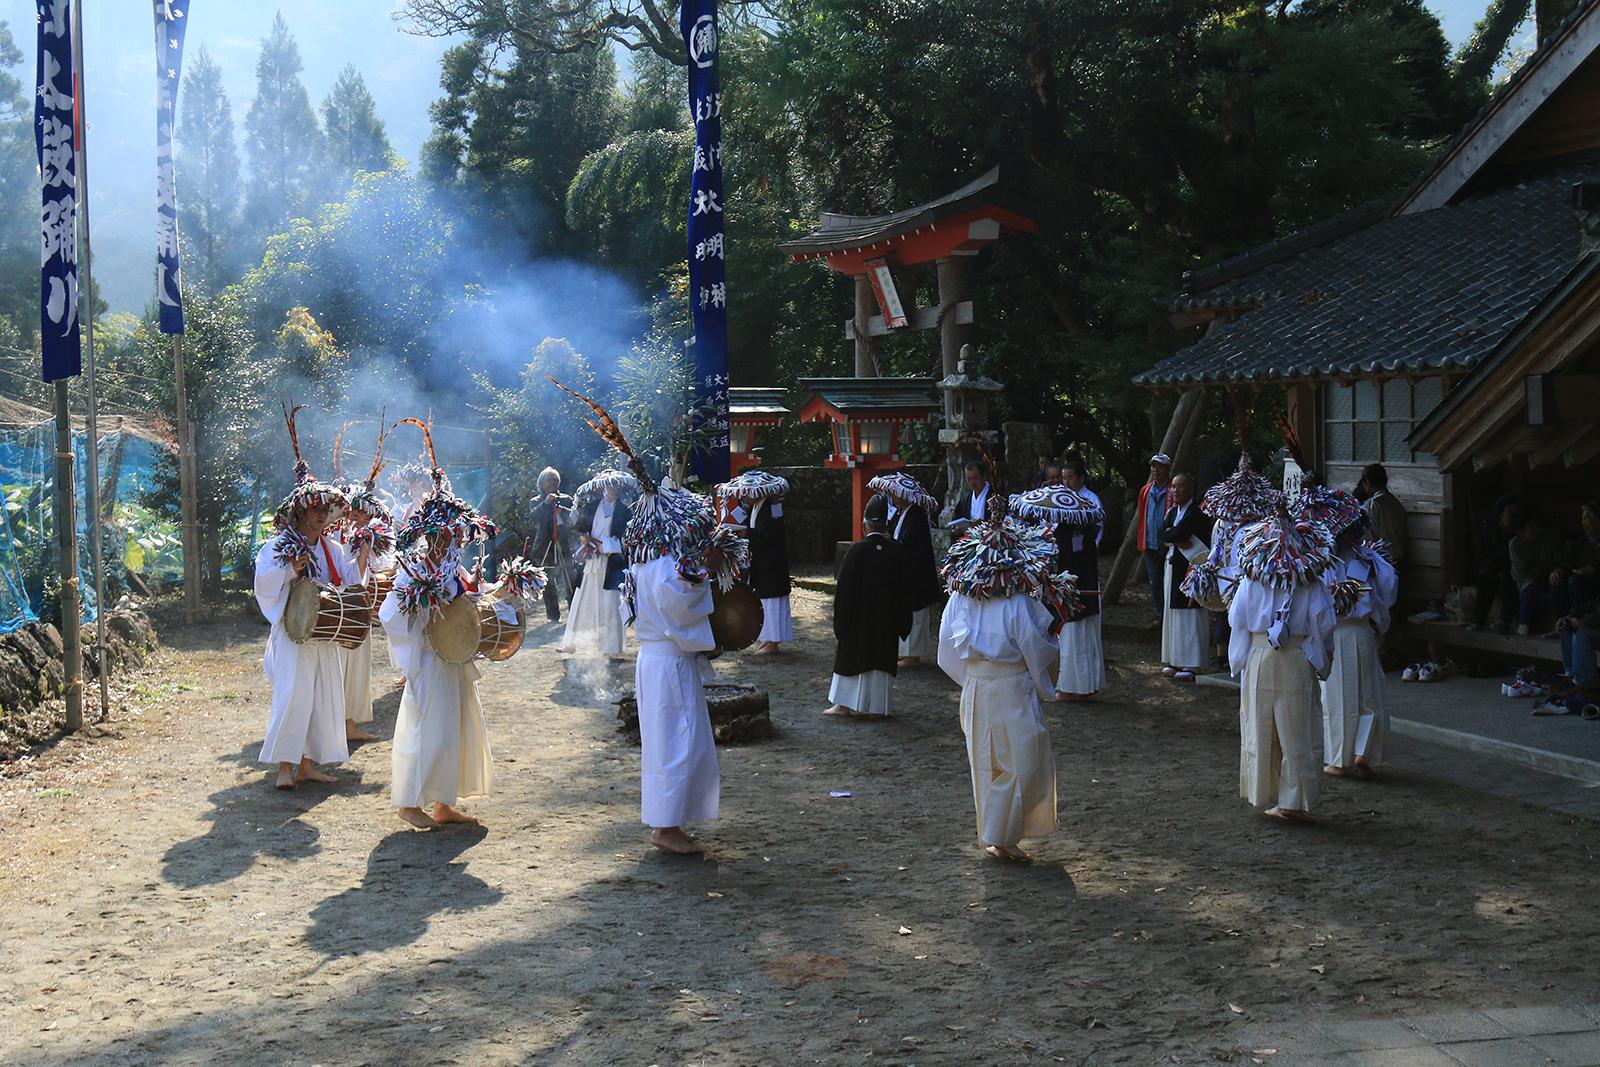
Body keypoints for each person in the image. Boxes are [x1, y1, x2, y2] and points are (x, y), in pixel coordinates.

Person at [937, 500, 1068, 862]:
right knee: (1021, 759)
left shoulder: (960, 600)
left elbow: (945, 650)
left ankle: (998, 833)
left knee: (988, 759)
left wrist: (971, 678)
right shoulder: (1019, 604)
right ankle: (1001, 836)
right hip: (1009, 685)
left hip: (978, 685)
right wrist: (1043, 683)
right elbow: (1038, 647)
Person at [381, 455, 500, 830]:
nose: (457, 540)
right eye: (451, 534)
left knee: (452, 729)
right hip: (430, 660)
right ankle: (409, 802)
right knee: (425, 729)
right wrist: (421, 606)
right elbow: (390, 613)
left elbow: (474, 596)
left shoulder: (453, 568)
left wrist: (503, 590)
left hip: (455, 659)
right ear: (433, 535)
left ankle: (444, 803)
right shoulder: (414, 572)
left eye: (460, 535)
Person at [253, 409, 351, 790]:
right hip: (294, 634)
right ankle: (283, 767)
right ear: (300, 512)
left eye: (326, 510)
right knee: (293, 697)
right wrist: (291, 570)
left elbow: (346, 583)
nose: (322, 515)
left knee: (321, 698)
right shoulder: (278, 547)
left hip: (322, 635)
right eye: (316, 509)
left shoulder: (333, 549)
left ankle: (307, 764)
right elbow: (264, 583)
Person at [1227, 505, 1338, 822]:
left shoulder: (1252, 581)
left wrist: (1238, 660)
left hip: (1261, 654)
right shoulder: (1311, 583)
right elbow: (1324, 624)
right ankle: (1294, 798)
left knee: (1261, 726)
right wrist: (1320, 658)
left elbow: (1238, 620)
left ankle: (1268, 792)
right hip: (1296, 656)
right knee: (1297, 729)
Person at [1310, 490, 1399, 779]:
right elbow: (1389, 589)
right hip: (1362, 631)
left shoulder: (1323, 563)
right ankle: (1364, 751)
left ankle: (1339, 758)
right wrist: (1379, 618)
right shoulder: (1368, 557)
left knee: (1338, 697)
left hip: (1336, 633)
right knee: (1367, 693)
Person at [827, 494, 913, 718]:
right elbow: (904, 591)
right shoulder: (896, 552)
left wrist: (841, 622)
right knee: (880, 662)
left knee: (851, 658)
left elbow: (844, 591)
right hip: (885, 622)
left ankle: (843, 705)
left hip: (858, 621)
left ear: (864, 525)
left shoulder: (856, 551)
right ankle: (876, 707)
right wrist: (902, 622)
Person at [337, 478, 395, 742]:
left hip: (362, 608)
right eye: (355, 514)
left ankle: (350, 724)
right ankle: (335, 724)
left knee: (358, 667)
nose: (359, 520)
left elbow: (376, 570)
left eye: (365, 516)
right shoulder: (337, 540)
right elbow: (350, 576)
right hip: (340, 611)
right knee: (341, 668)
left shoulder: (369, 539)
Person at [560, 472, 632, 657]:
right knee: (582, 598)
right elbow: (578, 528)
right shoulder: (591, 507)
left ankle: (611, 647)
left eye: (615, 486)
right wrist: (583, 538)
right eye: (608, 486)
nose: (611, 490)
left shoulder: (625, 511)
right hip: (592, 558)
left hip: (612, 561)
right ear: (601, 488)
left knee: (610, 603)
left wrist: (617, 542)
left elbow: (628, 535)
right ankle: (571, 642)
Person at [722, 472, 792, 655]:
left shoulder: (772, 507)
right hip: (761, 563)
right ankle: (765, 638)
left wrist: (748, 537)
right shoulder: (754, 507)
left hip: (771, 563)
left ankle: (772, 641)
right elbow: (741, 523)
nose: (746, 496)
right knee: (762, 601)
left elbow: (769, 535)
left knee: (772, 602)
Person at [1054, 460, 1106, 700]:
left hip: (1083, 571)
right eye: (1063, 479)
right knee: (1069, 630)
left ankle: (1081, 685)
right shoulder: (1057, 504)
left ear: (1081, 478)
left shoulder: (1090, 502)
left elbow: (1094, 536)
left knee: (1081, 629)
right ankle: (1073, 683)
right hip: (1066, 570)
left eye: (1070, 478)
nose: (1066, 483)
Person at [876, 473, 940, 667]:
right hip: (907, 573)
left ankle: (913, 655)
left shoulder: (916, 516)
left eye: (895, 493)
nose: (892, 497)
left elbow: (911, 546)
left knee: (916, 616)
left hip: (916, 574)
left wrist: (893, 544)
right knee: (906, 614)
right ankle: (905, 652)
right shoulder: (903, 514)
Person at [1158, 472, 1212, 679]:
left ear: (1190, 489)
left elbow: (1179, 534)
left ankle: (1192, 662)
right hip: (1173, 564)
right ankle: (1176, 659)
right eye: (1174, 486)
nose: (1176, 490)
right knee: (1173, 612)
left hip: (1190, 567)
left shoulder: (1196, 514)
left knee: (1190, 613)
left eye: (1181, 486)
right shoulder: (1172, 512)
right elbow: (1163, 532)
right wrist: (1174, 534)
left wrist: (1174, 535)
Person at [529, 467, 576, 623]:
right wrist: (545, 503)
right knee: (548, 582)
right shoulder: (536, 501)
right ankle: (553, 616)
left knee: (570, 579)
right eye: (549, 480)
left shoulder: (567, 498)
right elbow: (535, 518)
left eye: (555, 480)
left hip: (564, 544)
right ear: (542, 484)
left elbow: (575, 517)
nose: (553, 483)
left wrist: (564, 510)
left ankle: (574, 614)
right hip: (545, 547)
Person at [1468, 495, 1520, 633]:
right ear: (1501, 514)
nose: (1513, 517)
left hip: (1512, 570)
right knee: (1486, 580)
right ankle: (1479, 621)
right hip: (1493, 567)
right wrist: (1494, 569)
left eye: (1516, 514)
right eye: (1510, 513)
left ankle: (1504, 621)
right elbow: (1485, 555)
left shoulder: (1518, 532)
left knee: (1512, 583)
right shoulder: (1490, 529)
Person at [1133, 453, 1173, 617]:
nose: (1155, 469)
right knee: (1155, 582)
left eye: (1159, 466)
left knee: (1169, 581)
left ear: (1167, 469)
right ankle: (1161, 614)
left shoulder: (1173, 488)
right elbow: (1142, 515)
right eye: (1153, 466)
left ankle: (1170, 614)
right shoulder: (1145, 491)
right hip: (1149, 542)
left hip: (1168, 543)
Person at [1508, 509, 1555, 636]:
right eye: (1532, 527)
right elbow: (1523, 572)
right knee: (1529, 589)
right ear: (1520, 531)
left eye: (1537, 526)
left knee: (1547, 597)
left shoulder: (1546, 539)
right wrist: (1537, 569)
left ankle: (1530, 622)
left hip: (1546, 578)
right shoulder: (1515, 545)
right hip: (1523, 581)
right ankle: (1523, 624)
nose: (1537, 530)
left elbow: (1552, 561)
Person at [1357, 463, 1407, 565]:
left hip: (1384, 558)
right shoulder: (1395, 502)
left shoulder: (1374, 504)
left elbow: (1369, 536)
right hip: (1400, 555)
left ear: (1367, 483)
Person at [947, 460, 992, 533]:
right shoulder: (965, 500)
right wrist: (957, 529)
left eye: (976, 478)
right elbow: (956, 522)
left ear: (983, 476)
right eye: (969, 479)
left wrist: (983, 523)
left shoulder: (995, 497)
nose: (972, 483)